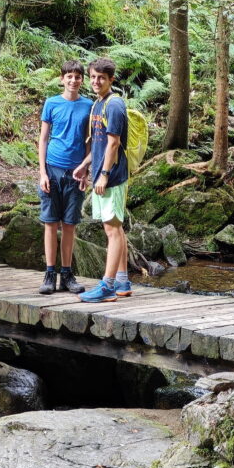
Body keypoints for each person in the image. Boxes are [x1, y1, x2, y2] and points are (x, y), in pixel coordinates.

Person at [72, 57, 131, 303]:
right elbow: (98, 144)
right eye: (93, 77)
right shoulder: (98, 104)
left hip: (113, 175)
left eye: (101, 78)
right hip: (100, 173)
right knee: (115, 227)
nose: (96, 81)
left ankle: (107, 287)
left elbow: (114, 143)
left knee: (112, 229)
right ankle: (122, 281)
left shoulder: (114, 105)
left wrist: (104, 175)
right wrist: (85, 166)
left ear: (111, 80)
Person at [37, 59, 93, 295]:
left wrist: (86, 170)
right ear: (62, 79)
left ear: (82, 80)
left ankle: (67, 275)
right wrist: (42, 172)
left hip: (76, 172)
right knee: (51, 223)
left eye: (77, 76)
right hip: (52, 169)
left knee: (70, 224)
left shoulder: (89, 106)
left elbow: (90, 141)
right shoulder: (51, 103)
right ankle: (50, 274)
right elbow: (43, 139)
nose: (73, 80)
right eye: (69, 76)